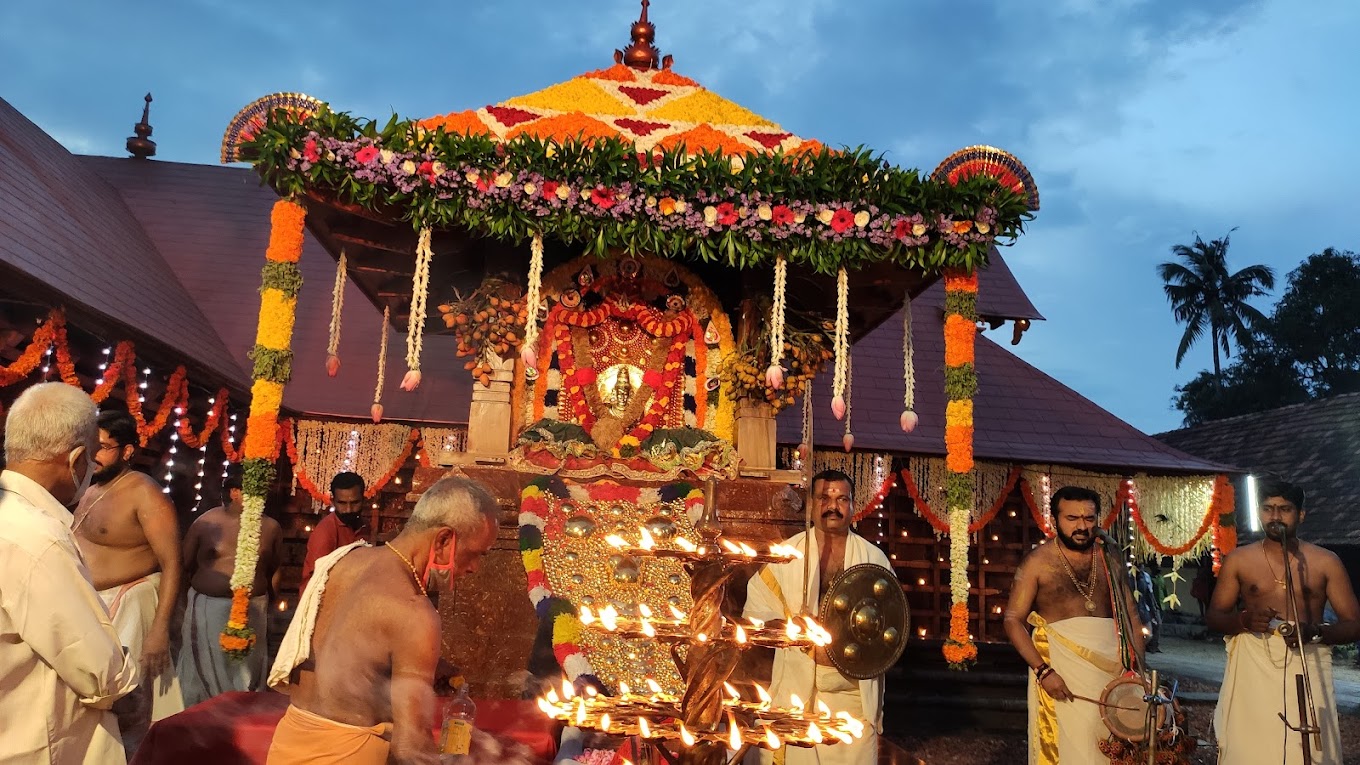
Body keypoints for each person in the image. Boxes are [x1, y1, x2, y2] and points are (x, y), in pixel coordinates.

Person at [265, 476, 501, 764]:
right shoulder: (413, 611)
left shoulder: (342, 560)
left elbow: (340, 657)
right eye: (476, 554)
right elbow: (410, 748)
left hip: (288, 740)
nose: (475, 568)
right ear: (443, 539)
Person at [0, 383, 140, 764]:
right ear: (77, 459)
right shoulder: (35, 537)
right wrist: (130, 692)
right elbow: (97, 668)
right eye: (92, 459)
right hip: (33, 743)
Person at [743, 469, 892, 765]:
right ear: (811, 504)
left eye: (841, 499)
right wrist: (788, 629)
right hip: (797, 687)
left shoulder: (874, 560)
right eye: (824, 497)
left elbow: (890, 628)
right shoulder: (786, 555)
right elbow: (754, 615)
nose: (832, 506)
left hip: (851, 694)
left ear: (852, 506)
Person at [1207, 478, 1360, 764]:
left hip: (1308, 657)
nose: (1275, 517)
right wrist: (1244, 620)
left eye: (1284, 509)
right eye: (1267, 509)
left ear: (1300, 514)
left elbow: (1353, 623)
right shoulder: (1240, 559)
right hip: (1254, 662)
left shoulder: (1325, 561)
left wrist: (1315, 631)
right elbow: (1215, 616)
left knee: (1311, 748)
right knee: (1251, 747)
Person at [1003, 485, 1144, 764]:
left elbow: (1131, 617)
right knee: (1070, 750)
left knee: (1113, 748)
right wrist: (1044, 672)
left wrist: (1138, 669)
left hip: (1114, 671)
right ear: (1055, 520)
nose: (1082, 526)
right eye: (1072, 519)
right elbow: (1013, 621)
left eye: (1089, 519)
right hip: (1061, 673)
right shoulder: (1038, 562)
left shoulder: (1110, 559)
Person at [72, 409, 184, 754]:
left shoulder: (145, 493)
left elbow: (172, 563)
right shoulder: (90, 487)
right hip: (90, 605)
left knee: (127, 704)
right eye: (93, 445)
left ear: (129, 451)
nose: (95, 455)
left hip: (130, 605)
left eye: (105, 447)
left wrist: (159, 630)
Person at [177, 471, 283, 706]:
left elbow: (273, 568)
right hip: (208, 607)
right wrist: (182, 605)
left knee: (247, 671)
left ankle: (241, 720)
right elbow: (183, 564)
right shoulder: (206, 523)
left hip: (253, 610)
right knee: (203, 672)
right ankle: (201, 721)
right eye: (253, 490)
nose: (260, 497)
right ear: (235, 493)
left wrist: (270, 607)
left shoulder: (271, 527)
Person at [299, 471, 371, 593]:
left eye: (354, 503)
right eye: (342, 503)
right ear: (333, 501)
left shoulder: (365, 526)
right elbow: (314, 583)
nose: (348, 510)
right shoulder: (325, 532)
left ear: (363, 500)